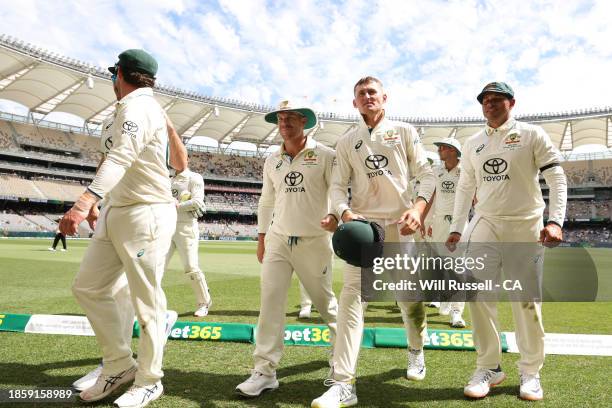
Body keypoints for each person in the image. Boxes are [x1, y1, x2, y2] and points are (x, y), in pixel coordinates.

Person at [60, 49, 182, 408]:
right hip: (117, 210)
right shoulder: (119, 112)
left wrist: (83, 203)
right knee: (88, 287)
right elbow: (109, 159)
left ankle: (149, 380)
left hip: (146, 212)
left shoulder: (140, 106)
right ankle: (118, 364)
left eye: (114, 74)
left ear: (120, 74)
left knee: (146, 303)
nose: (112, 80)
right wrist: (99, 201)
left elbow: (122, 156)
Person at [311, 76, 435, 408]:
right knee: (352, 301)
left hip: (401, 228)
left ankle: (416, 350)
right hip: (364, 230)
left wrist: (418, 209)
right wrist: (344, 212)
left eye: (372, 93)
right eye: (361, 94)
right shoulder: (347, 140)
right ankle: (343, 383)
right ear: (354, 103)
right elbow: (337, 186)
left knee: (410, 302)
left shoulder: (404, 131)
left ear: (384, 98)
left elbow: (427, 174)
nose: (367, 97)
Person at [446, 82, 567, 401]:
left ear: (512, 103)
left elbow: (556, 177)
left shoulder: (531, 134)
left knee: (525, 301)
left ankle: (530, 371)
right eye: (485, 101)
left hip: (525, 224)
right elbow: (464, 187)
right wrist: (457, 227)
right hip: (485, 223)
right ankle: (489, 366)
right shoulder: (473, 143)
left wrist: (555, 220)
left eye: (496, 100)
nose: (490, 105)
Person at [235, 100, 339, 397]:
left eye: (291, 118)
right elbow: (266, 201)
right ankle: (264, 371)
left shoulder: (326, 155)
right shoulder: (272, 160)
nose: (285, 123)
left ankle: (339, 363)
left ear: (305, 121)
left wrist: (333, 214)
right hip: (278, 239)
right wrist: (262, 237)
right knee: (270, 304)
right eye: (281, 119)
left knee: (326, 305)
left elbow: (337, 190)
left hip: (314, 239)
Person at [422, 137, 466, 328]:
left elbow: (474, 198)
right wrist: (425, 220)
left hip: (459, 223)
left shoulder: (466, 171)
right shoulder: (436, 170)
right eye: (439, 147)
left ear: (454, 151)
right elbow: (431, 198)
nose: (439, 150)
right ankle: (443, 297)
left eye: (443, 148)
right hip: (438, 222)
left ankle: (456, 313)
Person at [167, 166, 211, 316]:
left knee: (191, 267)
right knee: (155, 267)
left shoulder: (194, 177)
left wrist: (176, 205)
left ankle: (204, 303)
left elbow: (198, 202)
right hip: (166, 226)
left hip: (186, 227)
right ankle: (150, 305)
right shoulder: (168, 178)